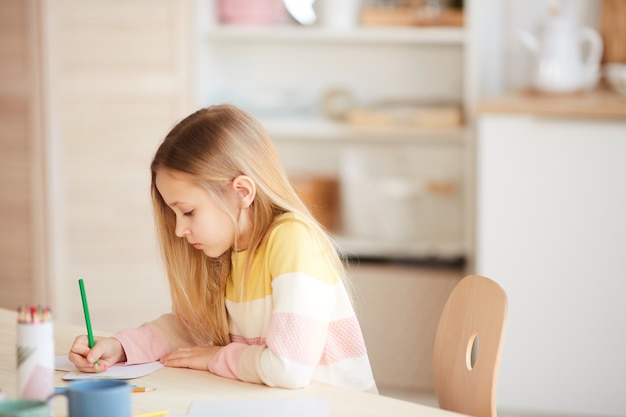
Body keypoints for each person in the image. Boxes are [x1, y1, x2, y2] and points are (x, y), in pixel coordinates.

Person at [68, 104, 377, 392]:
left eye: (187, 212)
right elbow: (191, 329)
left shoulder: (292, 240)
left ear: (241, 191)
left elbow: (287, 368)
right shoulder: (230, 252)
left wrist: (216, 357)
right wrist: (119, 348)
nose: (178, 230)